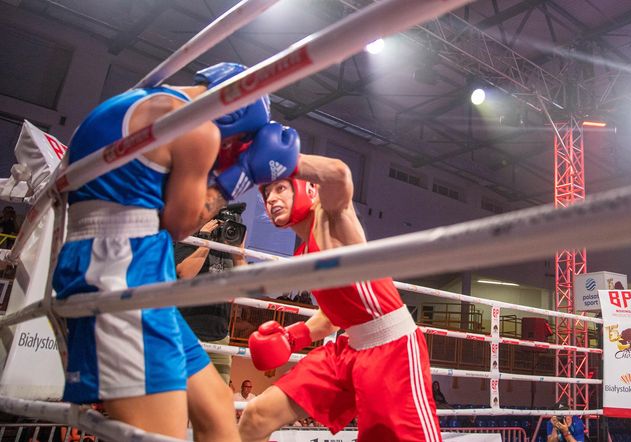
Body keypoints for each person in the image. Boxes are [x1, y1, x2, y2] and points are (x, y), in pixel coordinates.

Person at [52, 62, 300, 440]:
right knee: (160, 434)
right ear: (233, 114)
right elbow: (182, 225)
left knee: (218, 411)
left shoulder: (132, 101)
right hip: (123, 274)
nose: (227, 151)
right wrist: (243, 173)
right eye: (235, 143)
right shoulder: (198, 128)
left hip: (121, 265)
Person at [238, 154, 442, 442]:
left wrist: (283, 157)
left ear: (309, 189)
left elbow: (338, 173)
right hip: (347, 352)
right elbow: (336, 314)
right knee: (256, 416)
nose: (271, 198)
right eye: (267, 192)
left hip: (391, 351)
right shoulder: (305, 252)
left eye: (281, 187)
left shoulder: (330, 217)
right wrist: (294, 337)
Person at [175, 215, 247, 384]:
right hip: (188, 332)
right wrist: (206, 242)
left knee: (219, 400)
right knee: (182, 397)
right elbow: (185, 274)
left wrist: (238, 253)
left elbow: (244, 287)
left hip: (220, 336)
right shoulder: (190, 238)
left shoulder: (229, 249)